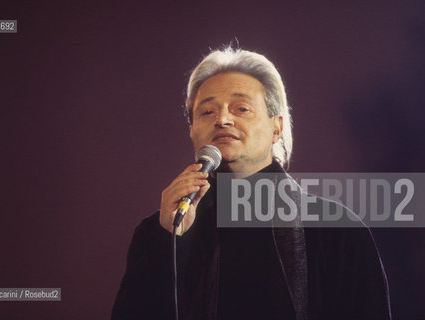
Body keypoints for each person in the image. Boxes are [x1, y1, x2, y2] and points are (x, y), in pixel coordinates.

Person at [111, 46, 391, 320]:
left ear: (276, 127)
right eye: (207, 112)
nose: (222, 119)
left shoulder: (335, 229)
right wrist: (167, 240)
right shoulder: (160, 229)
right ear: (192, 130)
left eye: (241, 108)